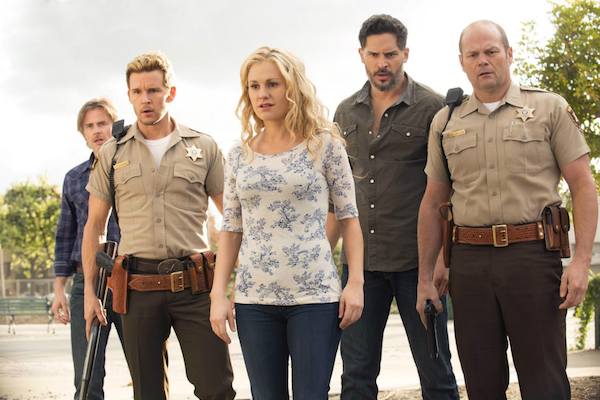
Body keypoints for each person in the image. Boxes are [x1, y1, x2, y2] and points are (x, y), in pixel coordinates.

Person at [417, 20, 597, 400]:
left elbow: (583, 185)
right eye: (473, 54)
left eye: (491, 51)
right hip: (469, 264)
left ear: (509, 54)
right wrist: (425, 276)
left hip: (532, 258)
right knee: (481, 383)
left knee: (544, 382)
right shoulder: (446, 122)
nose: (483, 61)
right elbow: (433, 202)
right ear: (462, 62)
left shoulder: (548, 108)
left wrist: (581, 262)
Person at [209, 46, 364, 400]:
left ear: (292, 87)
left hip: (315, 296)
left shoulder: (325, 146)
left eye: (272, 84)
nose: (262, 94)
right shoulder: (238, 155)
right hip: (254, 299)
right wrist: (219, 294)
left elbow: (349, 218)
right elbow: (230, 229)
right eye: (254, 86)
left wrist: (355, 283)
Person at [82, 51, 235, 400]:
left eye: (153, 90)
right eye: (137, 92)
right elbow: (94, 226)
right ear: (129, 95)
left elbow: (233, 219)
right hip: (137, 288)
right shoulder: (113, 153)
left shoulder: (204, 147)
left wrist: (227, 287)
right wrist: (91, 291)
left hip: (196, 286)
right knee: (148, 393)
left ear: (171, 92)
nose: (145, 99)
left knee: (216, 388)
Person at [327, 14, 458, 399]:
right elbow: (337, 195)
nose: (382, 63)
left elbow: (450, 190)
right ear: (361, 55)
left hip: (418, 264)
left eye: (390, 54)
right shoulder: (345, 112)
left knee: (436, 372)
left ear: (405, 53)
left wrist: (442, 260)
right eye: (374, 55)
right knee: (356, 376)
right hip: (360, 267)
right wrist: (322, 256)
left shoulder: (433, 107)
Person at [51, 98, 125, 400]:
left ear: (114, 126)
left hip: (131, 277)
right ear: (82, 132)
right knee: (86, 376)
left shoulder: (133, 169)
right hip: (88, 280)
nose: (97, 131)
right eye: (90, 126)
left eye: (102, 123)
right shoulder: (74, 178)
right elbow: (65, 235)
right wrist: (59, 289)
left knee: (147, 373)